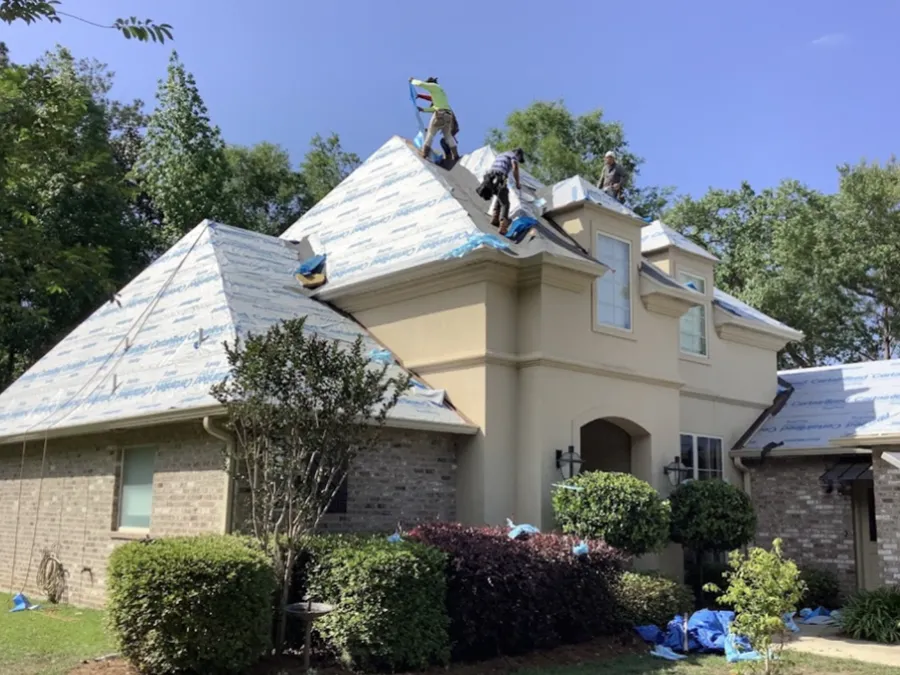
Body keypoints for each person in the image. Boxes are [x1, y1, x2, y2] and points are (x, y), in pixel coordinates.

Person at [410, 77, 459, 162]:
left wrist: (412, 81)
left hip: (440, 114)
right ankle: (455, 155)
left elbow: (421, 84)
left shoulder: (433, 86)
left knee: (430, 133)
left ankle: (424, 153)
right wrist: (423, 109)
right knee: (448, 136)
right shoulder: (441, 93)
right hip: (448, 116)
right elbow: (434, 106)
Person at [475, 148, 524, 235]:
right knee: (505, 203)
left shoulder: (502, 154)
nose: (518, 160)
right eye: (519, 159)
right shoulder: (513, 155)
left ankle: (495, 218)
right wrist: (517, 183)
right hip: (499, 177)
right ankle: (503, 226)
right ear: (518, 155)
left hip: (489, 178)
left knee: (500, 196)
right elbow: (515, 167)